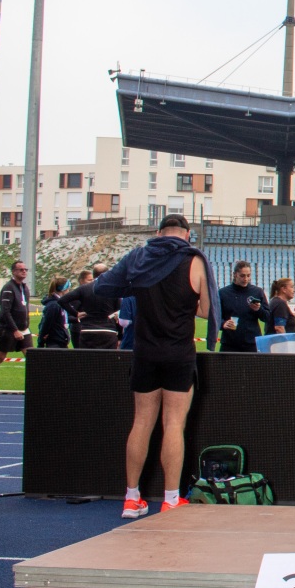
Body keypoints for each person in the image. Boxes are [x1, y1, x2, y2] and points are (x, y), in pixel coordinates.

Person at [98, 214, 215, 519]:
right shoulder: (194, 261)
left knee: (141, 423)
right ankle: (171, 498)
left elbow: (105, 285)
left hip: (145, 352)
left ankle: (131, 498)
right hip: (178, 353)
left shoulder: (140, 258)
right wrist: (183, 304)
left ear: (159, 233)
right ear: (187, 235)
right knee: (173, 425)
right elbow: (207, 310)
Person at [0, 259, 32, 397]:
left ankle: (36, 386)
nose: (24, 271)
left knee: (32, 357)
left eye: (25, 269)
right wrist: (15, 330)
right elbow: (5, 311)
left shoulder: (25, 288)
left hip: (24, 329)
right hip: (8, 329)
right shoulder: (8, 288)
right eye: (21, 269)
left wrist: (25, 326)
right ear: (13, 272)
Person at [63, 262, 121, 349]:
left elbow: (62, 300)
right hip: (108, 331)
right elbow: (119, 313)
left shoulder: (84, 288)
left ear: (93, 275)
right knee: (108, 357)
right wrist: (120, 336)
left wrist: (76, 314)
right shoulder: (113, 290)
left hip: (88, 330)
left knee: (88, 357)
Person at [217, 261, 269, 352]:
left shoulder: (257, 292)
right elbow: (215, 316)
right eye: (242, 276)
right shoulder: (223, 293)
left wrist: (258, 309)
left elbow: (267, 317)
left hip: (251, 343)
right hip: (229, 344)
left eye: (248, 275)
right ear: (235, 274)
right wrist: (223, 324)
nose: (246, 279)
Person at [38, 279, 72, 349]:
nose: (69, 291)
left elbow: (60, 320)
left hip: (61, 341)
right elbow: (46, 324)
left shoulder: (59, 303)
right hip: (55, 343)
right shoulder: (54, 305)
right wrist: (41, 342)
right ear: (64, 289)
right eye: (68, 289)